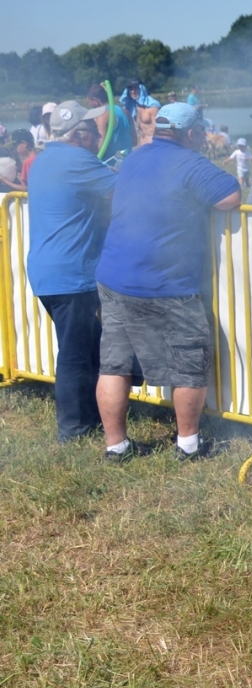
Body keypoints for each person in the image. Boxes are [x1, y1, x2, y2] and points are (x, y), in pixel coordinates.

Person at [94, 102, 242, 462]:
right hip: (164, 282)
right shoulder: (191, 164)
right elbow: (231, 197)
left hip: (113, 276)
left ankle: (116, 447)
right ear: (190, 133)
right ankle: (189, 446)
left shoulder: (134, 158)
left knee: (114, 364)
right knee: (189, 360)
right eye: (200, 132)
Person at [25, 101, 118, 443]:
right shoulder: (79, 160)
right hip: (71, 273)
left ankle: (93, 413)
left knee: (88, 342)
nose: (98, 136)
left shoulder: (44, 158)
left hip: (47, 270)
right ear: (78, 136)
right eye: (93, 131)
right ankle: (74, 430)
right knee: (75, 353)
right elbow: (124, 191)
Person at [86, 83, 135, 165]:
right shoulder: (125, 112)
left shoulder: (102, 116)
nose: (89, 105)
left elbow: (100, 147)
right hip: (127, 163)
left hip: (110, 166)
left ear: (95, 101)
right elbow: (134, 141)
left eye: (89, 102)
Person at [120, 80, 161, 148]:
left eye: (135, 88)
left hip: (153, 146)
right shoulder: (133, 107)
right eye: (130, 89)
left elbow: (159, 130)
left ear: (142, 89)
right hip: (141, 146)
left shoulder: (153, 107)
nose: (133, 92)